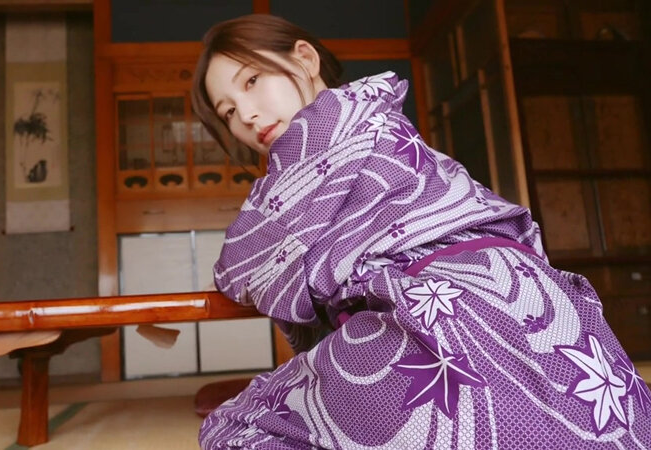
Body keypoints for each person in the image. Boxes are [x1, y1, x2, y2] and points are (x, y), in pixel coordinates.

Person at [192, 14, 651, 449]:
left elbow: (241, 264)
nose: (246, 115)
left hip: (430, 314)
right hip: (538, 299)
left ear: (305, 59)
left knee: (235, 426)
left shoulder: (321, 145)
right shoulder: (381, 121)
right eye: (228, 112)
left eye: (252, 81)